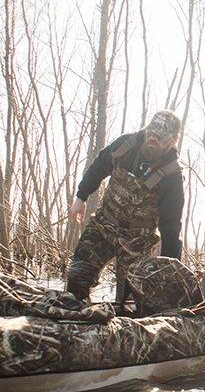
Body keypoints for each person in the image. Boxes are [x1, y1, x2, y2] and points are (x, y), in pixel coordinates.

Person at [65, 110, 185, 302]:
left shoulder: (172, 176)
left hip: (137, 241)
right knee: (76, 280)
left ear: (172, 140)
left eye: (159, 137)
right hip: (103, 225)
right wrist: (81, 197)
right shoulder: (126, 145)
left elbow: (171, 227)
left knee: (130, 301)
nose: (152, 139)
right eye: (151, 133)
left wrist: (171, 269)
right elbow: (99, 166)